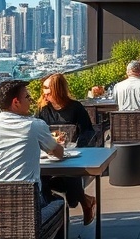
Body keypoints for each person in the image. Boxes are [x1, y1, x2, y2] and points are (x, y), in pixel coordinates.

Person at [0, 80, 96, 227]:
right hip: (28, 207)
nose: (31, 100)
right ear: (16, 102)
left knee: (48, 185)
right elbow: (59, 153)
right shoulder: (34, 125)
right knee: (58, 202)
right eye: (27, 97)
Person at [33, 74, 97, 225]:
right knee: (41, 179)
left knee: (71, 183)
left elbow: (87, 132)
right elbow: (36, 133)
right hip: (50, 154)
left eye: (47, 88)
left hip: (73, 154)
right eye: (44, 88)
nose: (44, 91)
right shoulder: (43, 110)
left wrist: (79, 147)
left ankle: (77, 202)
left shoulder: (76, 108)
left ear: (57, 89)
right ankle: (56, 215)